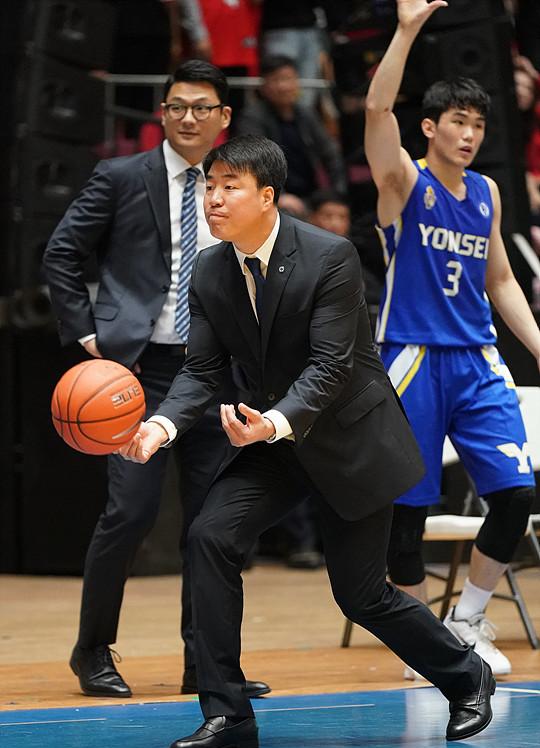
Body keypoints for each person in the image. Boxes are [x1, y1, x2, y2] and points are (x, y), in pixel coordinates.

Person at [119, 134, 495, 748]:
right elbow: (202, 370)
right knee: (210, 536)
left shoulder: (330, 255)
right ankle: (228, 715)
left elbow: (330, 367)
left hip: (349, 439)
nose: (213, 198)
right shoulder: (209, 269)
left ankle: (465, 674)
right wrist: (160, 428)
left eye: (230, 187)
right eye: (210, 186)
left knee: (361, 595)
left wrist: (271, 422)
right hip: (274, 442)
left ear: (267, 196)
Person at [42, 60, 270, 701]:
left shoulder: (237, 185)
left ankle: (208, 665)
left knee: (212, 525)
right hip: (136, 373)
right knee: (131, 512)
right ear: (161, 113)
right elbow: (62, 251)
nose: (187, 118)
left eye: (201, 107)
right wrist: (90, 337)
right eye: (176, 107)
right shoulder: (120, 176)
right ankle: (91, 650)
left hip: (216, 373)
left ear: (224, 117)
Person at [364, 0, 540, 679]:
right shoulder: (404, 181)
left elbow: (501, 280)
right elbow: (377, 111)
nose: (469, 134)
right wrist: (406, 31)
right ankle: (424, 645)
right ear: (431, 126)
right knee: (406, 517)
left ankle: (465, 621)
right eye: (458, 121)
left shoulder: (488, 192)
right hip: (411, 357)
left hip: (477, 360)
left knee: (516, 495)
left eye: (478, 124)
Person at [236, 54, 347, 218]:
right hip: (272, 196)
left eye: (288, 79)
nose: (283, 86)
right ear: (264, 86)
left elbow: (331, 154)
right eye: (276, 80)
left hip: (310, 194)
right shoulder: (252, 117)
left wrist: (337, 193)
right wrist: (279, 196)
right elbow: (252, 163)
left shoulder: (306, 114)